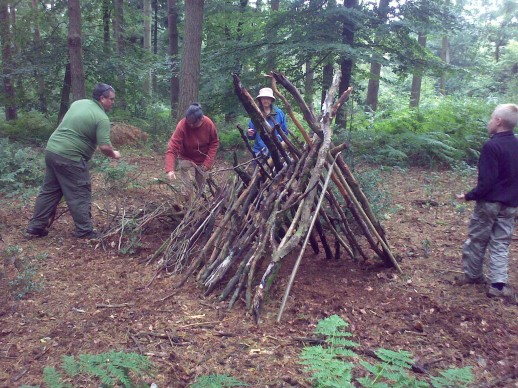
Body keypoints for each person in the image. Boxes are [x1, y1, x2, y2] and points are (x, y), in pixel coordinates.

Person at [26, 83, 121, 239]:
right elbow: (104, 147)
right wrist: (114, 154)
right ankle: (84, 231)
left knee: (49, 191)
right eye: (111, 99)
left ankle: (36, 227)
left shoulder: (79, 103)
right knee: (79, 192)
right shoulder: (102, 118)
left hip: (52, 150)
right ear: (102, 98)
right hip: (70, 158)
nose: (113, 102)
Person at [456, 103, 518, 299]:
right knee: (500, 243)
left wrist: (469, 195)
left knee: (477, 238)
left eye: (492, 118)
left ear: (498, 121)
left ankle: (473, 275)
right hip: (510, 205)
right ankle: (498, 286)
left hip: (489, 203)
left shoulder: (491, 145)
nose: (489, 122)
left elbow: (487, 181)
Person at [165, 103, 220, 198]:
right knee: (187, 186)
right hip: (185, 156)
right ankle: (189, 199)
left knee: (201, 186)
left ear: (201, 119)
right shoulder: (182, 125)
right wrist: (170, 169)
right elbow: (172, 148)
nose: (191, 125)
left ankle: (201, 200)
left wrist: (208, 162)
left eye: (193, 123)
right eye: (189, 122)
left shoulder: (208, 123)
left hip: (202, 158)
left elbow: (214, 143)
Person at [247, 87, 288, 158]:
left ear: (271, 100)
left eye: (267, 98)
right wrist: (249, 133)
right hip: (259, 152)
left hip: (277, 152)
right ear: (260, 100)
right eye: (263, 98)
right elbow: (251, 136)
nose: (265, 100)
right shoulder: (255, 114)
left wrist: (278, 142)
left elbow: (285, 133)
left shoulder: (279, 113)